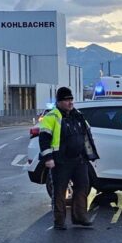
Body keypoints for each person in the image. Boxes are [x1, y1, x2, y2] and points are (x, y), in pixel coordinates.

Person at [39, 87, 99, 230]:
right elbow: (44, 139)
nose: (70, 102)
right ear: (59, 101)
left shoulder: (78, 115)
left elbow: (87, 135)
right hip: (60, 161)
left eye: (71, 99)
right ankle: (59, 221)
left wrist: (88, 154)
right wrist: (48, 158)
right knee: (59, 191)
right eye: (66, 100)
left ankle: (80, 217)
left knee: (83, 187)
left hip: (79, 160)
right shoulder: (51, 117)